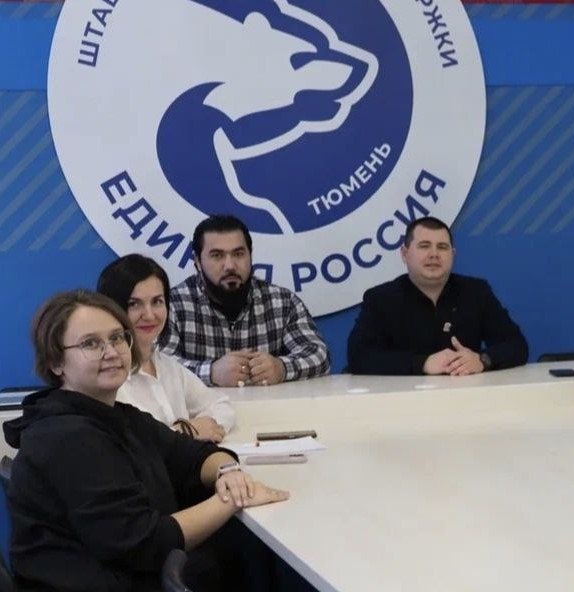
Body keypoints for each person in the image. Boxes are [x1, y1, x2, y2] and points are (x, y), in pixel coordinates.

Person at [4, 290, 289, 590]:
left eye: (117, 338)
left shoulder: (120, 416)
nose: (112, 352)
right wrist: (232, 499)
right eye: (91, 343)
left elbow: (192, 455)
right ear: (55, 362)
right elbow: (142, 544)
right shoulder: (65, 437)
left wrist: (228, 472)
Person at [160, 214, 330, 387]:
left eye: (238, 254)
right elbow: (157, 365)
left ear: (250, 255)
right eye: (217, 255)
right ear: (197, 261)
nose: (230, 266)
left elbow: (319, 355)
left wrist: (282, 368)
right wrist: (211, 372)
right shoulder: (173, 304)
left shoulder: (282, 302)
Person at [346, 216, 528, 375]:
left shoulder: (476, 292)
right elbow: (358, 357)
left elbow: (516, 345)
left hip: (467, 396)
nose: (434, 254)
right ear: (404, 254)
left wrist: (482, 360)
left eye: (442, 247)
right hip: (404, 400)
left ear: (452, 254)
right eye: (424, 246)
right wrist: (422, 364)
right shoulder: (381, 299)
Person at [98, 253, 236, 442]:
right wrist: (185, 432)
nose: (149, 315)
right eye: (134, 304)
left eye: (157, 302)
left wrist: (201, 428)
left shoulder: (167, 366)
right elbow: (124, 444)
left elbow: (221, 406)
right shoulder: (106, 378)